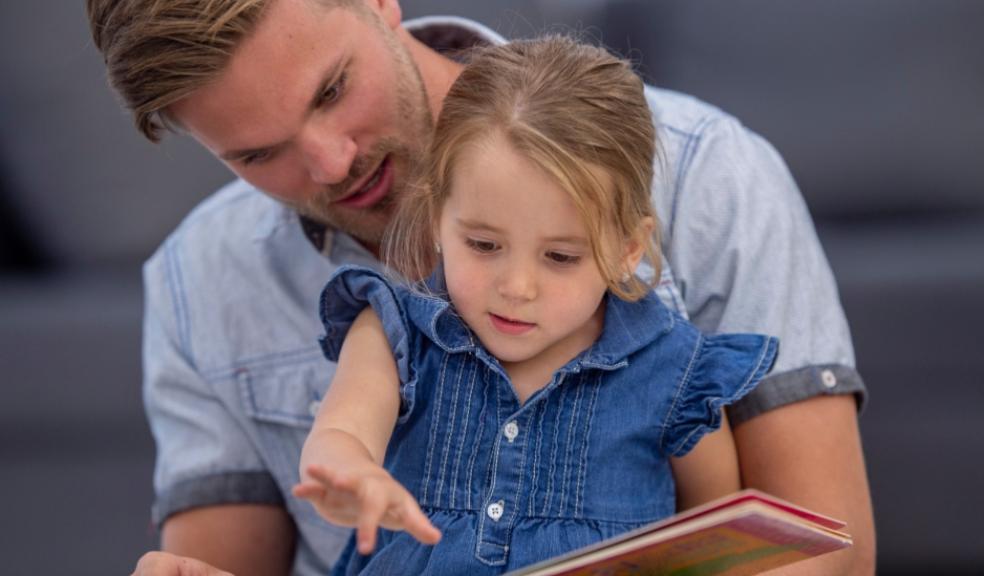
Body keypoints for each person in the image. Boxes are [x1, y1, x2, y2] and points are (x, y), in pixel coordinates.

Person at [84, 1, 875, 575]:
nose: (330, 165)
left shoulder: (707, 173)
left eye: (330, 91)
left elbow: (809, 548)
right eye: (258, 154)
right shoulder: (201, 278)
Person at [291, 35, 780, 575]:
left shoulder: (676, 373)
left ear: (627, 250)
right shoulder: (393, 333)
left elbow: (714, 536)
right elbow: (341, 433)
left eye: (560, 257)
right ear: (436, 219)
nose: (517, 287)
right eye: (483, 245)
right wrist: (348, 473)